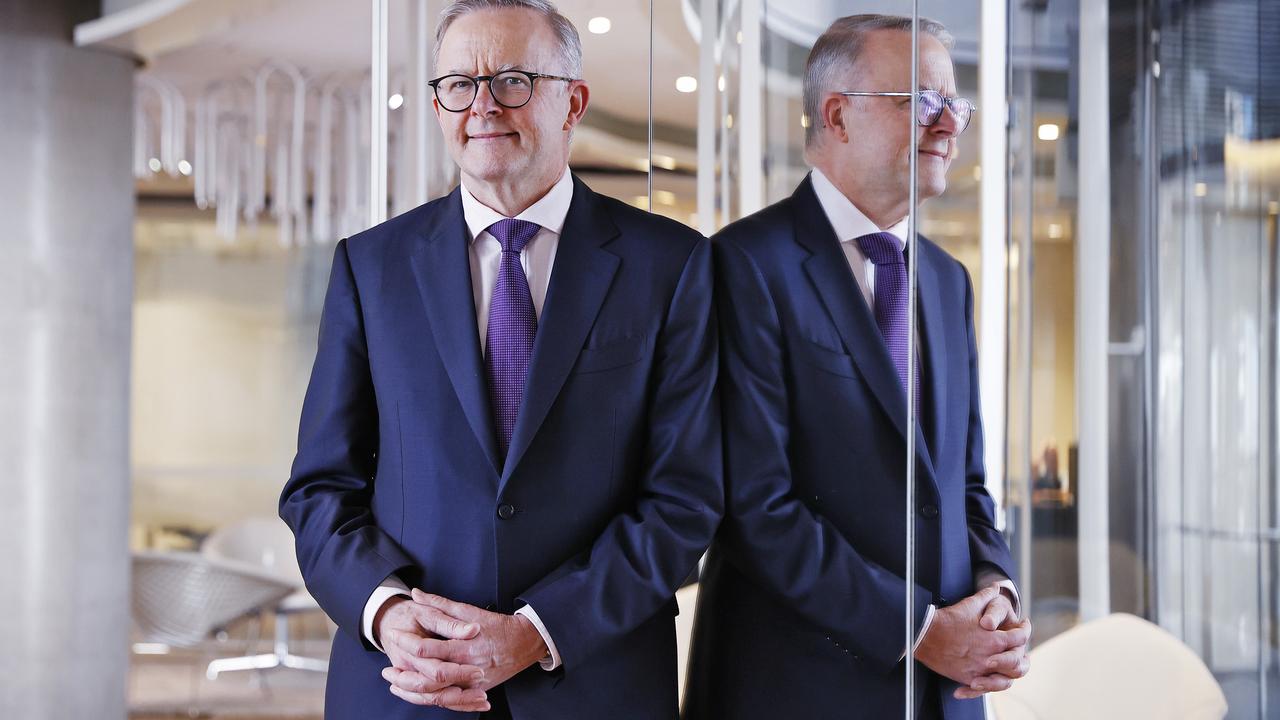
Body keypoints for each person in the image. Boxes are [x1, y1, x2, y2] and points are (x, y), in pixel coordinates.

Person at [280, 2, 721, 717]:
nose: (483, 105)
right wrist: (388, 612)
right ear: (437, 104)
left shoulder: (671, 266)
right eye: (459, 84)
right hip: (406, 689)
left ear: (572, 101)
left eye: (513, 80)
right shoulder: (371, 267)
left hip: (592, 682)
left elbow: (687, 499)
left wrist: (534, 632)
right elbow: (320, 489)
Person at [684, 14, 1030, 720]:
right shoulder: (740, 265)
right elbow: (754, 509)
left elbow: (963, 484)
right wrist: (921, 631)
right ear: (837, 115)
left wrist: (996, 589)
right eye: (923, 102)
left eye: (954, 105)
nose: (949, 126)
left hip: (944, 693)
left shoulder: (946, 278)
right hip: (794, 690)